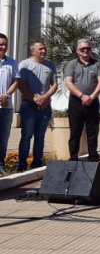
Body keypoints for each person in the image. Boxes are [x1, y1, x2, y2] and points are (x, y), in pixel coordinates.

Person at [17, 41, 58, 171]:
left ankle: (37, 164)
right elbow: (21, 84)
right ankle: (22, 166)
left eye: (44, 49)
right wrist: (34, 98)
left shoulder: (50, 65)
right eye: (40, 49)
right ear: (33, 51)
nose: (43, 51)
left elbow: (54, 84)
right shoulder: (25, 64)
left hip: (45, 107)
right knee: (26, 136)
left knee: (40, 137)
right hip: (29, 106)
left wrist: (45, 97)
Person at [64, 38, 100, 162]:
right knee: (75, 132)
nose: (85, 50)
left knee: (92, 132)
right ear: (77, 51)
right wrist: (82, 96)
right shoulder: (71, 64)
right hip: (76, 102)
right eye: (82, 49)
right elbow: (68, 82)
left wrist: (92, 97)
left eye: (88, 48)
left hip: (93, 102)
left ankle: (93, 157)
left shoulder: (97, 64)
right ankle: (73, 158)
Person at [0, 33, 20, 175]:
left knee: (3, 138)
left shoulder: (12, 62)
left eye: (5, 44)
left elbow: (16, 81)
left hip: (6, 107)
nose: (3, 47)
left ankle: (0, 165)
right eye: (0, 44)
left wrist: (6, 95)